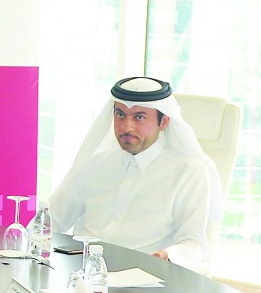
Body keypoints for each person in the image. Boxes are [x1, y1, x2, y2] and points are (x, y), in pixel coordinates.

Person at [50, 76, 220, 272]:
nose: (126, 127)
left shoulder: (188, 171)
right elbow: (54, 220)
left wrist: (167, 256)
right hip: (80, 275)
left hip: (145, 281)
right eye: (120, 115)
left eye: (139, 117)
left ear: (163, 122)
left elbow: (193, 244)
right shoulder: (95, 164)